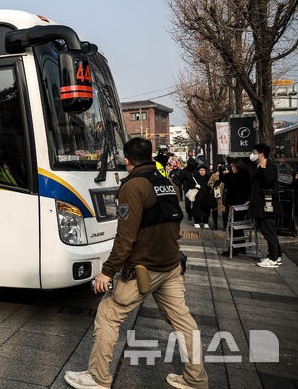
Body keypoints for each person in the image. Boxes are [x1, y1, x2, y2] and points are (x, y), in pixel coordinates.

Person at [64, 137, 208, 389]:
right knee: (183, 321)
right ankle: (195, 380)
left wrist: (107, 272)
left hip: (143, 268)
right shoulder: (168, 183)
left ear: (127, 160)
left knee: (108, 315)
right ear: (151, 156)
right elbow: (174, 225)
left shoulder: (133, 186)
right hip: (171, 265)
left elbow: (125, 236)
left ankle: (98, 377)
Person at [249, 143, 282, 267]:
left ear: (261, 154)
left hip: (267, 206)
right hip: (262, 205)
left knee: (269, 232)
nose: (252, 155)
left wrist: (263, 169)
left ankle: (273, 259)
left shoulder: (268, 166)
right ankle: (276, 255)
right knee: (269, 231)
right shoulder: (258, 166)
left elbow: (268, 182)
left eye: (254, 152)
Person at [219, 159, 251, 256]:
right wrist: (222, 172)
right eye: (231, 166)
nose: (232, 168)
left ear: (239, 166)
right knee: (237, 227)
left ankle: (235, 248)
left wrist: (227, 174)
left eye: (233, 166)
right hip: (233, 203)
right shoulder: (232, 175)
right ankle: (240, 247)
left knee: (235, 227)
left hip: (240, 204)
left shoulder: (244, 175)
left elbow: (232, 181)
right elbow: (224, 180)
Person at [190, 165, 213, 229]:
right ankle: (197, 222)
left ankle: (206, 222)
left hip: (206, 196)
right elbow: (189, 184)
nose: (202, 172)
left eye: (203, 170)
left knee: (206, 209)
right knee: (196, 209)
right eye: (200, 170)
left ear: (205, 171)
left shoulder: (208, 177)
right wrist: (195, 186)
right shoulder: (195, 177)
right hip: (197, 196)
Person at [208, 165, 226, 231]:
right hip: (215, 195)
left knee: (224, 211)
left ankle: (225, 226)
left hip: (224, 196)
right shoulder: (214, 175)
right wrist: (213, 185)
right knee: (214, 209)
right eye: (219, 167)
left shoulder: (227, 175)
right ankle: (215, 225)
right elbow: (209, 183)